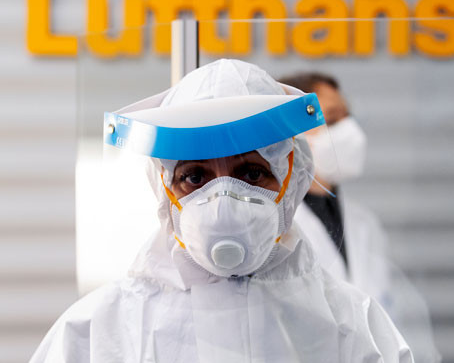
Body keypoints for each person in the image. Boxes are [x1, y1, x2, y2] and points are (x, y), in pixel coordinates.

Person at [30, 59, 412, 363]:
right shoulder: (95, 334)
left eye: (252, 173)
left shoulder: (354, 326)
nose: (223, 202)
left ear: (290, 180)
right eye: (195, 177)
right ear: (164, 190)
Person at [280, 72, 440, 363]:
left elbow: (393, 314)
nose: (350, 131)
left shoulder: (364, 223)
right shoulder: (274, 227)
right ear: (292, 135)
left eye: (348, 117)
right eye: (332, 120)